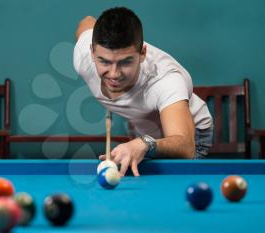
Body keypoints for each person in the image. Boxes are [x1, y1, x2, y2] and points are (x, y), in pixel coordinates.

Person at [73, 7, 213, 176]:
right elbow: (86, 21)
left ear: (142, 54)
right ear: (92, 52)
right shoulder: (84, 59)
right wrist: (143, 143)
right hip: (146, 134)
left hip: (190, 135)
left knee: (169, 192)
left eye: (125, 62)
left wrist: (144, 143)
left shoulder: (165, 80)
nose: (114, 74)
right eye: (104, 62)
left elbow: (185, 147)